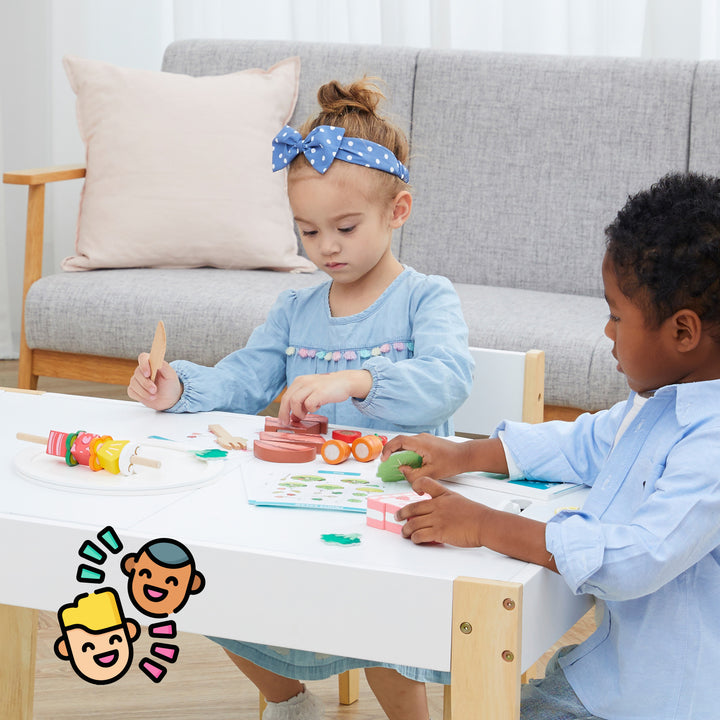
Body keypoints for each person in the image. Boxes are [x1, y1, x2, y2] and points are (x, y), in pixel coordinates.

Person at [128, 77, 473, 719]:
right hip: (297, 500)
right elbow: (246, 377)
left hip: (393, 502)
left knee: (382, 624)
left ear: (398, 211)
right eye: (307, 232)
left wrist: (359, 380)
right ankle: (290, 703)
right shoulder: (295, 306)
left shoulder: (426, 297)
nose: (326, 248)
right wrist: (177, 385)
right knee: (206, 582)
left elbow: (449, 378)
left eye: (344, 227)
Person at [383, 171, 720, 719]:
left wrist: (486, 525)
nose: (608, 333)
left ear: (683, 332)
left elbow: (636, 559)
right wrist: (466, 456)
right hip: (610, 674)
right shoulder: (663, 402)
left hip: (663, 701)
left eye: (616, 315)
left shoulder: (712, 444)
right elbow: (585, 443)